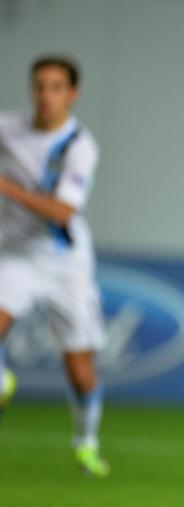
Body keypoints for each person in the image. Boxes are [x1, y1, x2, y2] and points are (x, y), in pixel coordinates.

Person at [0, 55, 108, 477]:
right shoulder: (9, 128)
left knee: (80, 371)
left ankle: (86, 443)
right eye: (40, 86)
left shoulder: (79, 146)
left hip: (65, 263)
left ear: (72, 94)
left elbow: (63, 211)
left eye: (56, 87)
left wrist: (7, 189)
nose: (46, 95)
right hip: (14, 255)